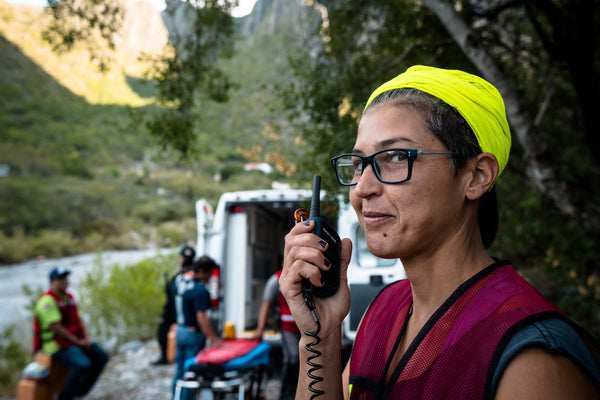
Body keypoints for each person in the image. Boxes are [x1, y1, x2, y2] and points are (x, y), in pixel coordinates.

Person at [279, 65, 600, 399]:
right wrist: (321, 335)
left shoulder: (530, 359)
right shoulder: (385, 311)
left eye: (395, 157)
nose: (362, 188)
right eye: (359, 164)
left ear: (476, 176)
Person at [33, 266, 109, 400]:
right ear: (51, 282)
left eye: (66, 278)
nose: (65, 281)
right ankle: (65, 397)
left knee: (102, 356)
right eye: (60, 279)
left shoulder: (68, 298)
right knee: (83, 364)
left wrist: (86, 338)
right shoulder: (47, 301)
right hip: (55, 344)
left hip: (74, 341)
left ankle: (80, 392)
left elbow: (78, 320)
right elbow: (56, 328)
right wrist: (79, 343)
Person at [171, 255, 222, 398]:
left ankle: (175, 396)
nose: (209, 278)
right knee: (190, 373)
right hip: (192, 333)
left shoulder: (178, 280)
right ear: (201, 270)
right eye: (208, 274)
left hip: (179, 330)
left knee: (179, 371)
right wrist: (215, 340)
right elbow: (202, 317)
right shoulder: (199, 290)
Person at [255, 265, 301, 400]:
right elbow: (266, 305)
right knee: (292, 357)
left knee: (306, 359)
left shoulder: (306, 275)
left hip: (306, 328)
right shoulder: (276, 280)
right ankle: (286, 393)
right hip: (288, 328)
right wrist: (260, 329)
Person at [152, 245, 196, 366]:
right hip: (182, 310)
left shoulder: (186, 273)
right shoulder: (191, 271)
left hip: (176, 309)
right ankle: (170, 355)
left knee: (163, 331)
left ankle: (165, 356)